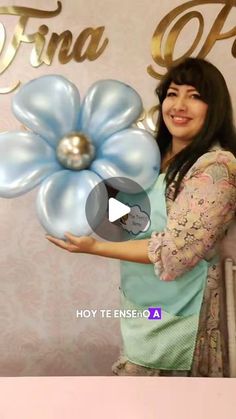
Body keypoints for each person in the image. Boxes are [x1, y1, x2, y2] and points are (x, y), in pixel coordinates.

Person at [46, 57, 236, 377]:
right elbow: (137, 224)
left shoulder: (216, 168)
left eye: (195, 95)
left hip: (187, 318)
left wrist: (93, 247)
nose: (179, 105)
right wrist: (87, 178)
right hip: (144, 310)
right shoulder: (149, 159)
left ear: (214, 107)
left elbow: (177, 252)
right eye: (172, 93)